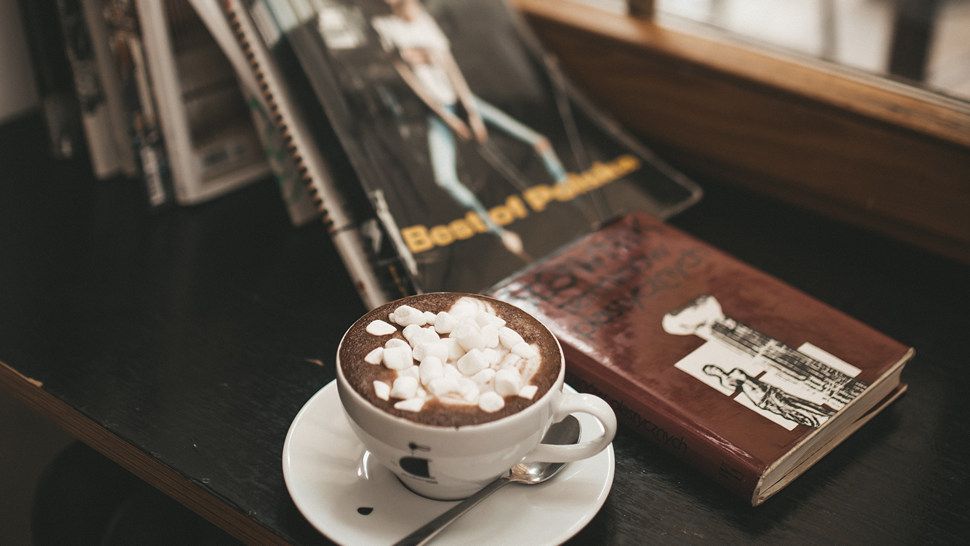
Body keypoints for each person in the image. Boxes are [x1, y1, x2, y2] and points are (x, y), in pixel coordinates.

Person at [372, 0, 570, 258]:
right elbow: (410, 81)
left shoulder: (425, 20)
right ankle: (499, 232)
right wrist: (448, 118)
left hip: (462, 102)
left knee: (537, 141)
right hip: (437, 111)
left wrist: (471, 113)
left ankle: (570, 194)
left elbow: (451, 68)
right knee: (445, 179)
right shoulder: (385, 27)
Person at [702, 364, 836, 427]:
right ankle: (816, 421)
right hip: (761, 399)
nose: (715, 370)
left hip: (768, 390)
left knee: (796, 402)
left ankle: (824, 414)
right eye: (711, 371)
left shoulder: (735, 370)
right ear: (711, 374)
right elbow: (740, 386)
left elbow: (747, 380)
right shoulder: (725, 382)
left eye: (713, 367)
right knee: (789, 411)